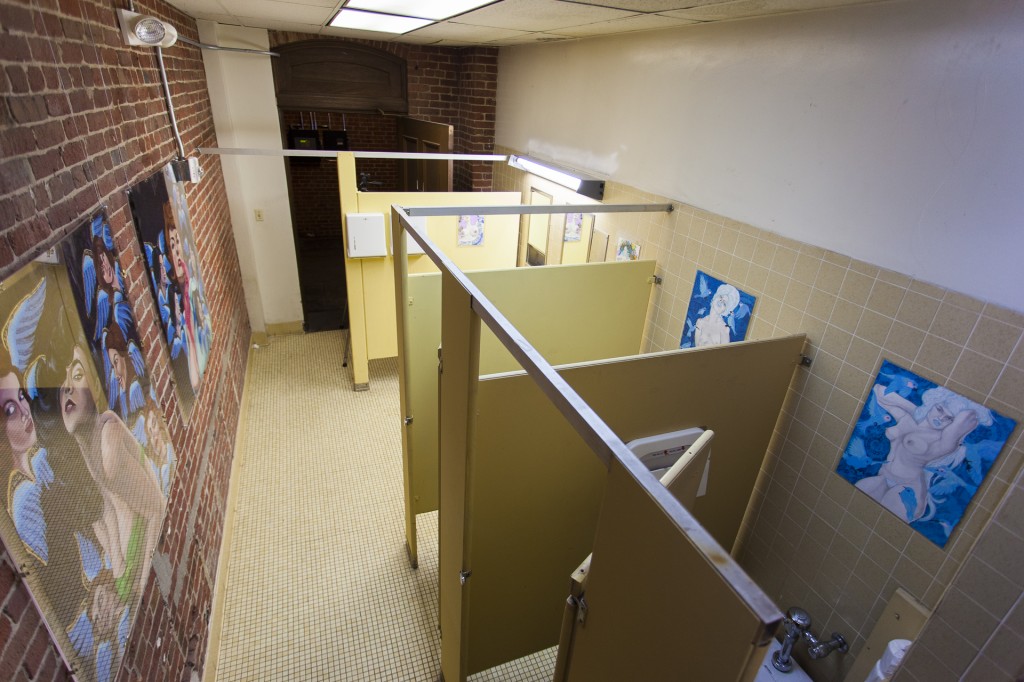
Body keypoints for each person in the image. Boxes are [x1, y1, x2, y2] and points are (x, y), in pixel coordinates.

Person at [61, 345, 165, 598]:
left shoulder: (109, 439)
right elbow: (107, 509)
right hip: (126, 570)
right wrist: (117, 566)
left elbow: (155, 511)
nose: (66, 388)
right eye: (62, 381)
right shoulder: (87, 451)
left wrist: (141, 591)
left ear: (96, 388)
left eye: (77, 376)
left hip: (138, 564)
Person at [855, 384, 990, 522]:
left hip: (908, 489)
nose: (941, 418)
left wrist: (954, 409)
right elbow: (880, 392)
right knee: (856, 501)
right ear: (932, 403)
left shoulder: (942, 442)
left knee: (882, 522)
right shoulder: (909, 419)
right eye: (939, 409)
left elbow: (967, 416)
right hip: (883, 477)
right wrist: (915, 410)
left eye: (949, 418)